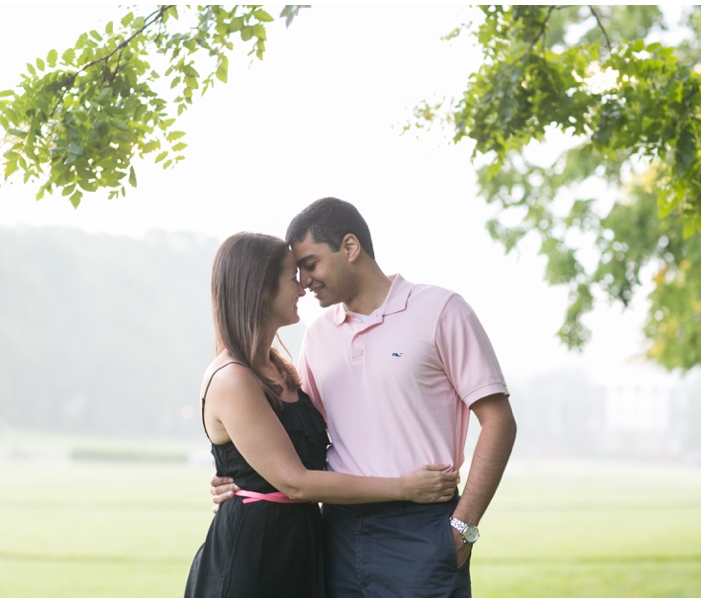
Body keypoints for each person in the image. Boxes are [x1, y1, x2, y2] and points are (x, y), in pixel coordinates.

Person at [212, 199, 517, 597]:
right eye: (298, 271)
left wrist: (463, 525)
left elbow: (499, 421)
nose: (303, 281)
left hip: (423, 527)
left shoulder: (441, 310)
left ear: (350, 248)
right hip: (334, 530)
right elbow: (295, 434)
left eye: (310, 263)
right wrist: (237, 479)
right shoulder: (319, 336)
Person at [185, 232, 458, 598]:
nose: (302, 288)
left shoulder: (278, 368)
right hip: (255, 553)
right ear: (260, 289)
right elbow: (295, 481)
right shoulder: (233, 377)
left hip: (301, 544)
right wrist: (404, 487)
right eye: (291, 276)